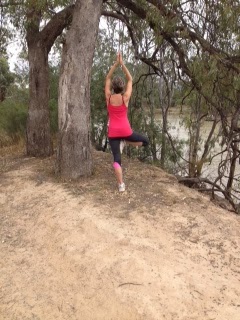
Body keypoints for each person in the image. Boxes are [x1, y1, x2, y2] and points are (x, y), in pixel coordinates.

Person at [105, 53, 149, 192]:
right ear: (122, 87)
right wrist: (122, 64)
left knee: (117, 159)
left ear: (113, 87)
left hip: (112, 133)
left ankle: (121, 185)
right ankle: (126, 141)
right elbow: (130, 79)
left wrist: (115, 64)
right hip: (125, 131)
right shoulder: (126, 98)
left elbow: (107, 77)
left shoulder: (108, 97)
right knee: (145, 141)